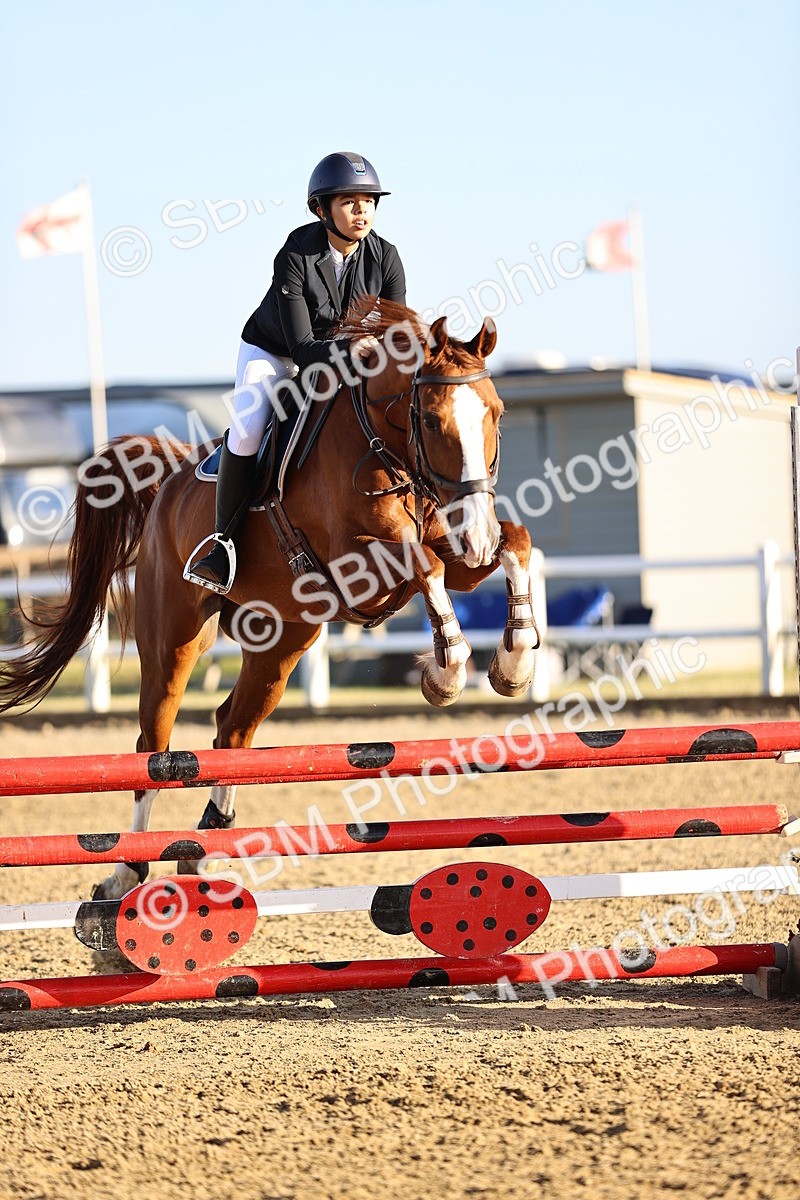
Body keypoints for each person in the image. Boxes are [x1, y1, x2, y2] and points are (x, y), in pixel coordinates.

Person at [185, 151, 407, 593]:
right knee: (248, 430)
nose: (361, 210)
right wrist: (355, 348)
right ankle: (223, 544)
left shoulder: (386, 257)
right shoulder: (296, 252)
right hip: (275, 353)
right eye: (348, 201)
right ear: (322, 209)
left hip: (349, 358)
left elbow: (397, 339)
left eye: (368, 200)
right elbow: (304, 349)